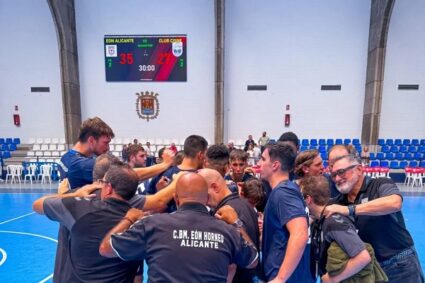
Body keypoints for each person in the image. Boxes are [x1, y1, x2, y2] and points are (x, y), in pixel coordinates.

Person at [99, 172, 259, 283]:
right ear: (208, 198)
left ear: (176, 199)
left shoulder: (151, 225)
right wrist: (236, 222)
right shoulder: (227, 230)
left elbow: (105, 249)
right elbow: (253, 261)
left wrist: (128, 218)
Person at [33, 163, 141, 282]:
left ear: (109, 188)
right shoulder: (138, 223)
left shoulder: (80, 208)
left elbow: (37, 205)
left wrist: (73, 194)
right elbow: (138, 276)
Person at [324, 154, 424, 283]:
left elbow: (394, 203)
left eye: (341, 172)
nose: (337, 178)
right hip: (371, 270)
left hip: (401, 265)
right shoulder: (338, 202)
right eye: (333, 175)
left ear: (359, 169)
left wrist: (351, 210)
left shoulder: (379, 184)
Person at [300, 176, 375, 283]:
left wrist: (333, 279)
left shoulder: (333, 222)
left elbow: (363, 257)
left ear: (308, 199)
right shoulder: (320, 219)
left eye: (301, 198)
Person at [259, 142, 313, 283]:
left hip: (286, 277)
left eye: (263, 159)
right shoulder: (287, 190)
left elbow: (300, 233)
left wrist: (280, 278)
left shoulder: (284, 193)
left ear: (275, 165)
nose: (260, 163)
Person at [198, 168, 261, 283]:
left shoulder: (224, 213)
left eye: (203, 193)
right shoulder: (244, 204)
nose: (203, 200)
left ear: (215, 187)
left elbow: (233, 262)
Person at [145, 135, 208, 212]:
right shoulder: (202, 177)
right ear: (200, 155)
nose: (206, 159)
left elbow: (148, 208)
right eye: (205, 154)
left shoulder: (163, 174)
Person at [60, 116, 114, 190]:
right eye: (106, 143)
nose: (108, 147)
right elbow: (126, 173)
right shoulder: (83, 165)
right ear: (91, 140)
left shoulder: (65, 157)